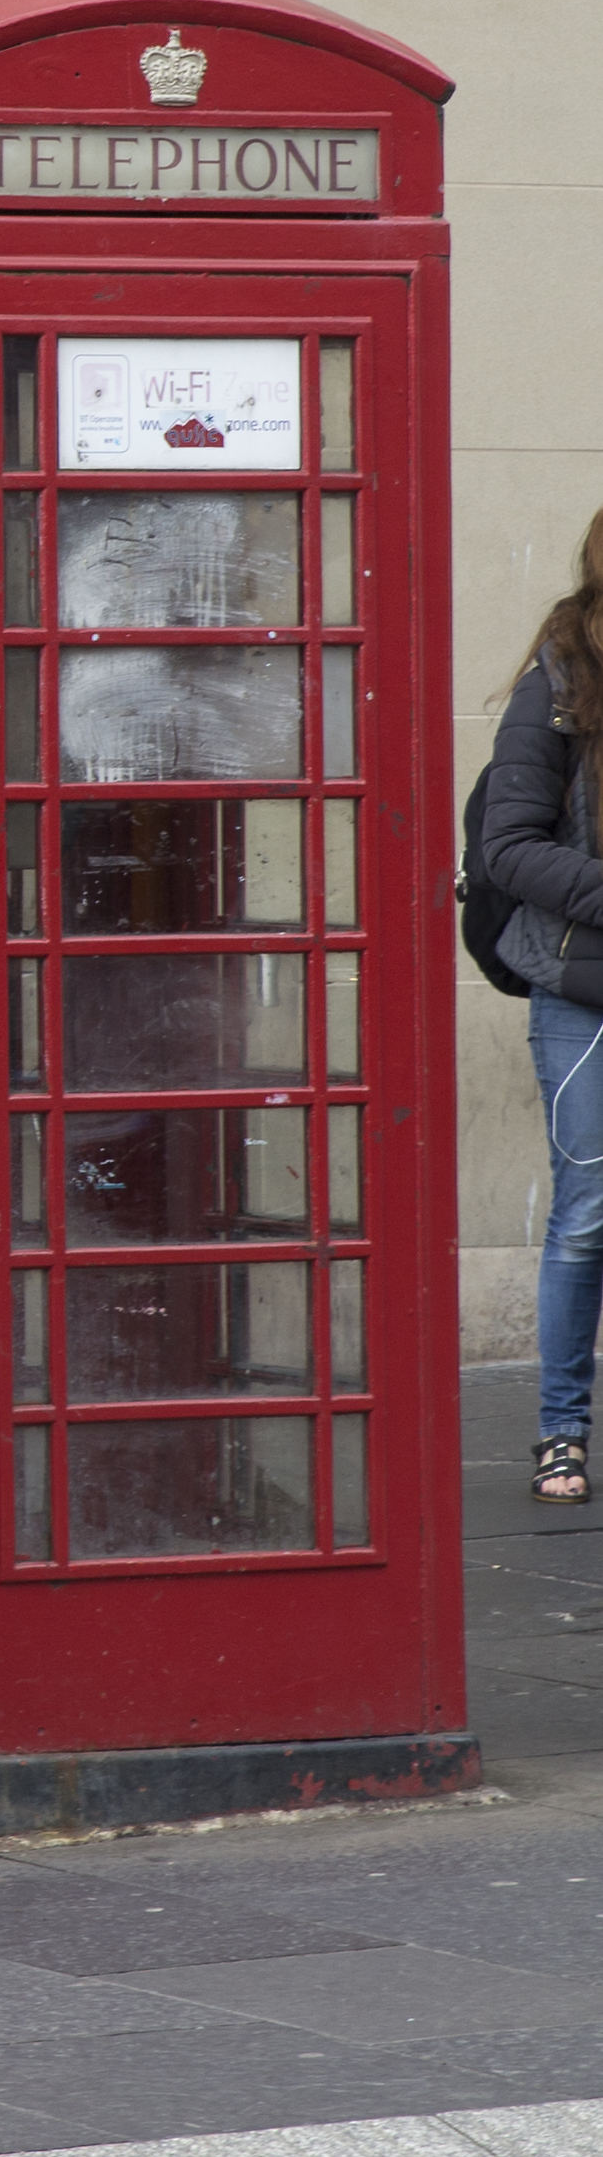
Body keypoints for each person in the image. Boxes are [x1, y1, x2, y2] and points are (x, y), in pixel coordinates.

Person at [484, 511, 603, 1505]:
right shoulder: (557, 689)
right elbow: (507, 848)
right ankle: (560, 1431)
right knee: (586, 1217)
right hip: (580, 989)